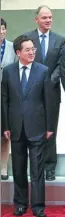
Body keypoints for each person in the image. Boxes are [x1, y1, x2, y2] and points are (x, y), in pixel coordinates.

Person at [1, 35, 55, 217]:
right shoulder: (8, 72)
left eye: (33, 49)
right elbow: (5, 100)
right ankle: (20, 204)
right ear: (18, 53)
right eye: (28, 50)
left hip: (37, 127)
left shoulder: (43, 71)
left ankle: (38, 206)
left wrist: (50, 126)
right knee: (18, 168)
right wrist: (5, 125)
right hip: (15, 128)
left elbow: (49, 100)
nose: (32, 52)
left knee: (37, 170)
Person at [24, 5, 65, 181]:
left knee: (50, 130)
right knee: (33, 130)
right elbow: (25, 62)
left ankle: (50, 166)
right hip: (31, 93)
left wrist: (49, 80)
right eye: (44, 18)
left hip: (51, 91)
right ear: (36, 19)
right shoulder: (28, 38)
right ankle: (36, 166)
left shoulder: (60, 39)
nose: (48, 20)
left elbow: (60, 65)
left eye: (50, 17)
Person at [1, 17, 18, 180]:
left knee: (5, 133)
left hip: (7, 95)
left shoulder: (13, 47)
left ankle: (4, 168)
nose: (1, 31)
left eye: (3, 28)